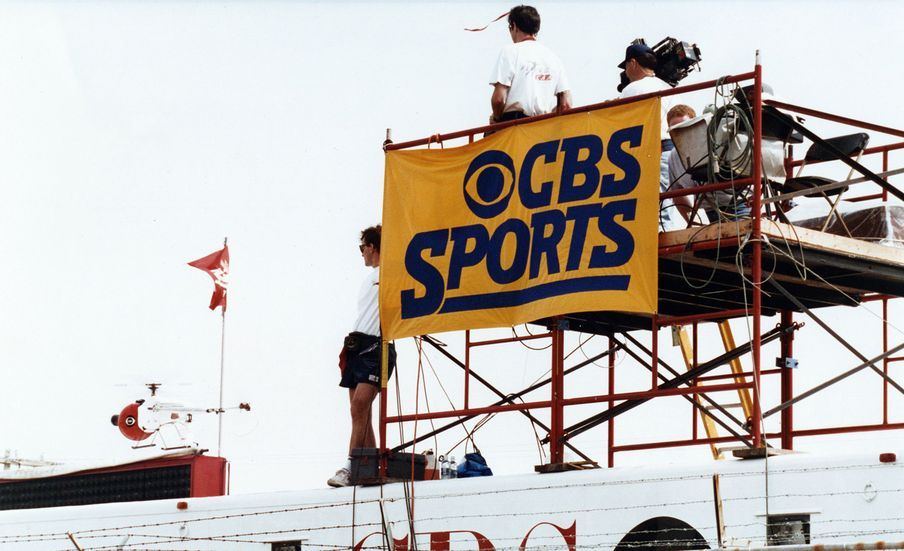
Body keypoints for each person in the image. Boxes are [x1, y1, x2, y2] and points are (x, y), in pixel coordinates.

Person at [327, 225, 397, 488]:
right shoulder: (370, 278)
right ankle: (369, 467)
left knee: (359, 407)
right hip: (358, 346)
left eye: (363, 248)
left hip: (376, 347)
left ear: (372, 247)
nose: (362, 254)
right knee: (359, 412)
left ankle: (349, 467)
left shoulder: (388, 273)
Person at [617, 43, 681, 231]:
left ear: (633, 63)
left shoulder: (633, 89)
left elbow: (621, 124)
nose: (626, 71)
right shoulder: (669, 88)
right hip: (677, 151)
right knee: (667, 205)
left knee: (655, 208)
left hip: (654, 149)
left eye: (626, 66)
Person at [666, 104, 751, 224]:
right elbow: (677, 194)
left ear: (695, 126)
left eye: (685, 127)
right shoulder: (673, 157)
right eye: (675, 129)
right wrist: (693, 221)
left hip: (737, 205)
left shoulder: (714, 142)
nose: (680, 132)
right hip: (708, 213)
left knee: (741, 240)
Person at [489, 5, 572, 125]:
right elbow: (566, 104)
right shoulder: (554, 58)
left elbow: (498, 99)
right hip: (542, 130)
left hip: (513, 125)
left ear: (514, 26)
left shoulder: (510, 51)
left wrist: (496, 120)